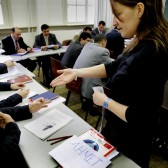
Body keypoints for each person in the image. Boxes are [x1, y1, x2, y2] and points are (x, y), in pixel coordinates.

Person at [51, 0, 168, 167]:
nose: (113, 22)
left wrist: (105, 101)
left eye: (118, 15)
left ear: (140, 9)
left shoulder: (153, 52)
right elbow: (112, 66)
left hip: (131, 141)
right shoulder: (140, 42)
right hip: (117, 131)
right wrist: (77, 72)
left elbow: (142, 117)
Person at [73, 34, 112, 112]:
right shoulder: (103, 51)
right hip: (88, 83)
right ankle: (105, 106)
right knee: (111, 78)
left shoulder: (87, 45)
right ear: (104, 42)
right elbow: (110, 67)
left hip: (77, 79)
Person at [33, 24, 62, 88]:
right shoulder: (38, 37)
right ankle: (48, 80)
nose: (46, 33)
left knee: (57, 60)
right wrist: (41, 48)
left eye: (48, 31)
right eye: (45, 31)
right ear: (42, 31)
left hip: (52, 54)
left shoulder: (52, 35)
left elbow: (59, 43)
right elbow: (34, 46)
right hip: (43, 56)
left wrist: (57, 46)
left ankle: (53, 77)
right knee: (46, 63)